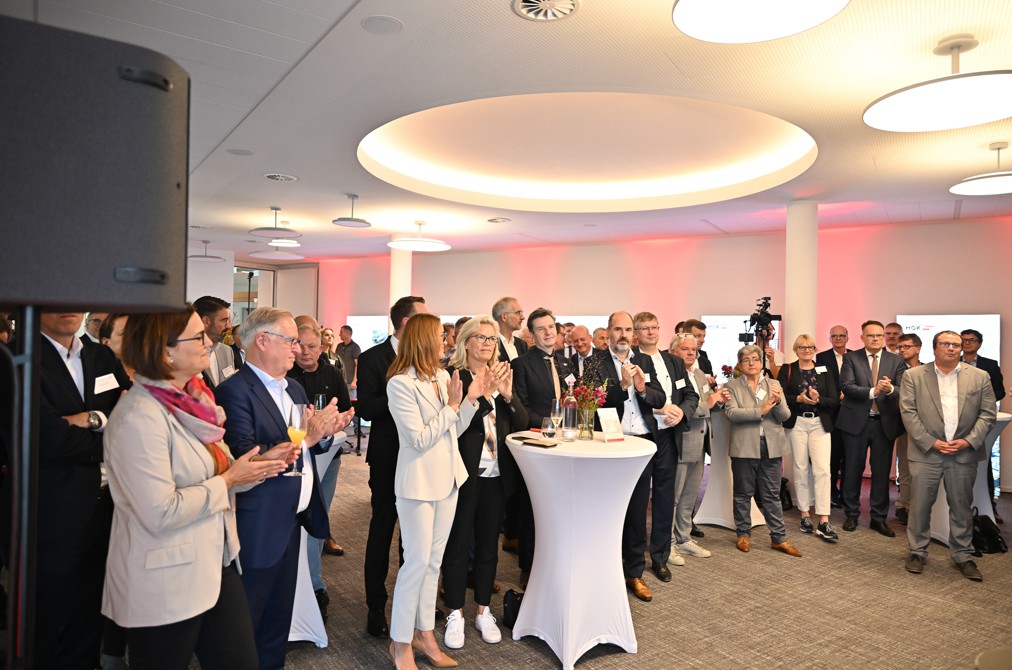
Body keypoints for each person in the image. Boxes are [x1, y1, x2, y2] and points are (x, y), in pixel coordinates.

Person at [102, 307, 289, 669]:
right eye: (197, 336)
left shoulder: (195, 404)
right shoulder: (139, 416)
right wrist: (229, 480)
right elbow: (159, 512)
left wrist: (257, 466)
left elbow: (220, 474)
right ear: (165, 351)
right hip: (165, 576)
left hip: (215, 560)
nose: (208, 342)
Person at [216, 307, 352, 669]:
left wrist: (325, 433)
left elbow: (303, 443)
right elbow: (246, 455)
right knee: (247, 622)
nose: (297, 349)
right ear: (262, 341)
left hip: (292, 517)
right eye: (290, 340)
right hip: (257, 521)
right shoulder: (233, 391)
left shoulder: (292, 386)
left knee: (278, 621)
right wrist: (307, 439)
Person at [35, 312, 131, 669]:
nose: (69, 306)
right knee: (49, 616)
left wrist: (88, 420)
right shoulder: (18, 358)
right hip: (52, 509)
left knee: (92, 614)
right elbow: (46, 437)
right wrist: (109, 426)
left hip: (108, 506)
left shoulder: (100, 356)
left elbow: (133, 412)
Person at [387, 313, 482, 670]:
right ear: (423, 340)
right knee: (416, 563)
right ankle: (400, 643)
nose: (446, 341)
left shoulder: (443, 377)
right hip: (418, 484)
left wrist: (470, 401)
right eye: (441, 336)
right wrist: (454, 406)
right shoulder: (400, 384)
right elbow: (420, 439)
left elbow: (454, 430)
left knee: (433, 563)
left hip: (448, 479)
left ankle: (424, 634)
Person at [442, 316, 527, 649]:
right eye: (481, 338)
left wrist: (506, 395)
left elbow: (521, 421)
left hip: (496, 474)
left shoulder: (500, 375)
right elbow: (454, 427)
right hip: (465, 474)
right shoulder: (455, 377)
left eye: (492, 339)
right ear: (466, 342)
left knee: (489, 546)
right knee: (458, 544)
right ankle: (455, 612)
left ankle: (482, 610)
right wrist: (482, 395)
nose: (488, 344)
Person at [900, 331, 996, 581]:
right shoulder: (914, 376)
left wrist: (968, 441)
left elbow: (988, 414)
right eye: (945, 344)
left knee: (961, 506)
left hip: (963, 453)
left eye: (956, 345)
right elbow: (908, 413)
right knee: (920, 506)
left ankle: (963, 555)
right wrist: (931, 442)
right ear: (934, 348)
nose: (951, 348)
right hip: (926, 453)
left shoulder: (980, 376)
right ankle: (917, 552)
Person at [360, 295, 429, 638]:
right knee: (382, 530)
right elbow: (366, 408)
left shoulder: (427, 360)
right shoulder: (372, 358)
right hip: (388, 458)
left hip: (421, 458)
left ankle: (410, 603)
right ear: (406, 322)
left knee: (415, 538)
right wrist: (402, 397)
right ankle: (376, 606)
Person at [287, 323, 353, 620]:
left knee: (317, 519)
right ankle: (296, 585)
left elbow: (346, 412)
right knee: (293, 522)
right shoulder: (286, 377)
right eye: (299, 345)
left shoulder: (333, 375)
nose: (305, 352)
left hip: (328, 458)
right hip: (294, 459)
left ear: (322, 348)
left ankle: (315, 585)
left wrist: (335, 422)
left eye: (311, 346)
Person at [724, 344, 801, 557]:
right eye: (746, 360)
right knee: (743, 493)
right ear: (740, 364)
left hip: (772, 445)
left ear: (761, 363)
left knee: (772, 495)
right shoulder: (731, 386)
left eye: (755, 359)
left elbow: (785, 416)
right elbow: (732, 413)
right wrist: (761, 410)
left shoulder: (774, 384)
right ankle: (743, 534)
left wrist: (778, 402)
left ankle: (779, 538)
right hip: (744, 446)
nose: (751, 363)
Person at [838, 320, 906, 536]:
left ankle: (878, 518)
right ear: (862, 338)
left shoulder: (896, 360)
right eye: (870, 335)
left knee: (881, 473)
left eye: (878, 335)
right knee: (852, 470)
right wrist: (873, 391)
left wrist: (890, 389)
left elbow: (903, 389)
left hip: (884, 424)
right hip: (855, 422)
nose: (875, 339)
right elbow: (846, 386)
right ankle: (851, 514)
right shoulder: (851, 358)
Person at [668, 333, 726, 563]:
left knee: (689, 496)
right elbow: (678, 408)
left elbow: (709, 401)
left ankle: (683, 538)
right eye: (685, 349)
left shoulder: (700, 373)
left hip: (701, 441)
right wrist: (709, 403)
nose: (691, 353)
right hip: (680, 440)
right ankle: (667, 543)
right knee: (673, 497)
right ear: (673, 352)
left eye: (694, 349)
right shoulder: (671, 374)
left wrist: (719, 400)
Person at [777, 334, 839, 542]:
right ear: (796, 350)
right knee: (800, 468)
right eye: (802, 347)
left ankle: (824, 518)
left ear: (815, 349)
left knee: (823, 470)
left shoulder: (825, 370)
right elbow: (779, 396)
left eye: (810, 347)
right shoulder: (787, 369)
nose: (807, 350)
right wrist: (798, 398)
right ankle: (804, 514)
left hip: (820, 423)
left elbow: (834, 400)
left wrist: (819, 400)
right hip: (797, 424)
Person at [815, 325, 849, 507]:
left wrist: (848, 395)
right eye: (834, 336)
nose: (838, 338)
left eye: (841, 335)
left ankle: (846, 493)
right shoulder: (821, 358)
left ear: (847, 338)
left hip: (852, 411)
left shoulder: (855, 356)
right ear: (830, 338)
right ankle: (831, 493)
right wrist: (837, 396)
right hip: (831, 413)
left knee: (850, 456)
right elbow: (821, 383)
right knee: (833, 455)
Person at [894, 333, 922, 525]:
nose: (902, 350)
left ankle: (918, 506)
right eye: (900, 347)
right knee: (905, 468)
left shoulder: (928, 369)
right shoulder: (895, 369)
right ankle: (904, 506)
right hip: (902, 424)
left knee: (921, 470)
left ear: (917, 348)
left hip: (925, 425)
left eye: (906, 346)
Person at [193, 296, 239, 389]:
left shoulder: (227, 351)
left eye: (229, 321)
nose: (229, 326)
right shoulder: (190, 353)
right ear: (206, 321)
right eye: (224, 320)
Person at [492, 297, 527, 363]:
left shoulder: (522, 344)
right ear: (504, 316)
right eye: (518, 313)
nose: (523, 317)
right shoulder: (490, 344)